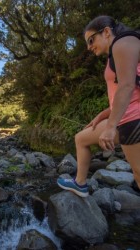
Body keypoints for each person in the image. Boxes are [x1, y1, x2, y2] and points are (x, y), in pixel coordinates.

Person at [57, 15, 140, 198]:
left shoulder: (124, 42)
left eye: (91, 40)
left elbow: (127, 87)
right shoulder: (118, 50)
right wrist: (103, 116)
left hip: (133, 119)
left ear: (107, 32)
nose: (88, 47)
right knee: (81, 138)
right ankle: (80, 183)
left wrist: (110, 128)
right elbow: (128, 92)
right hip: (123, 117)